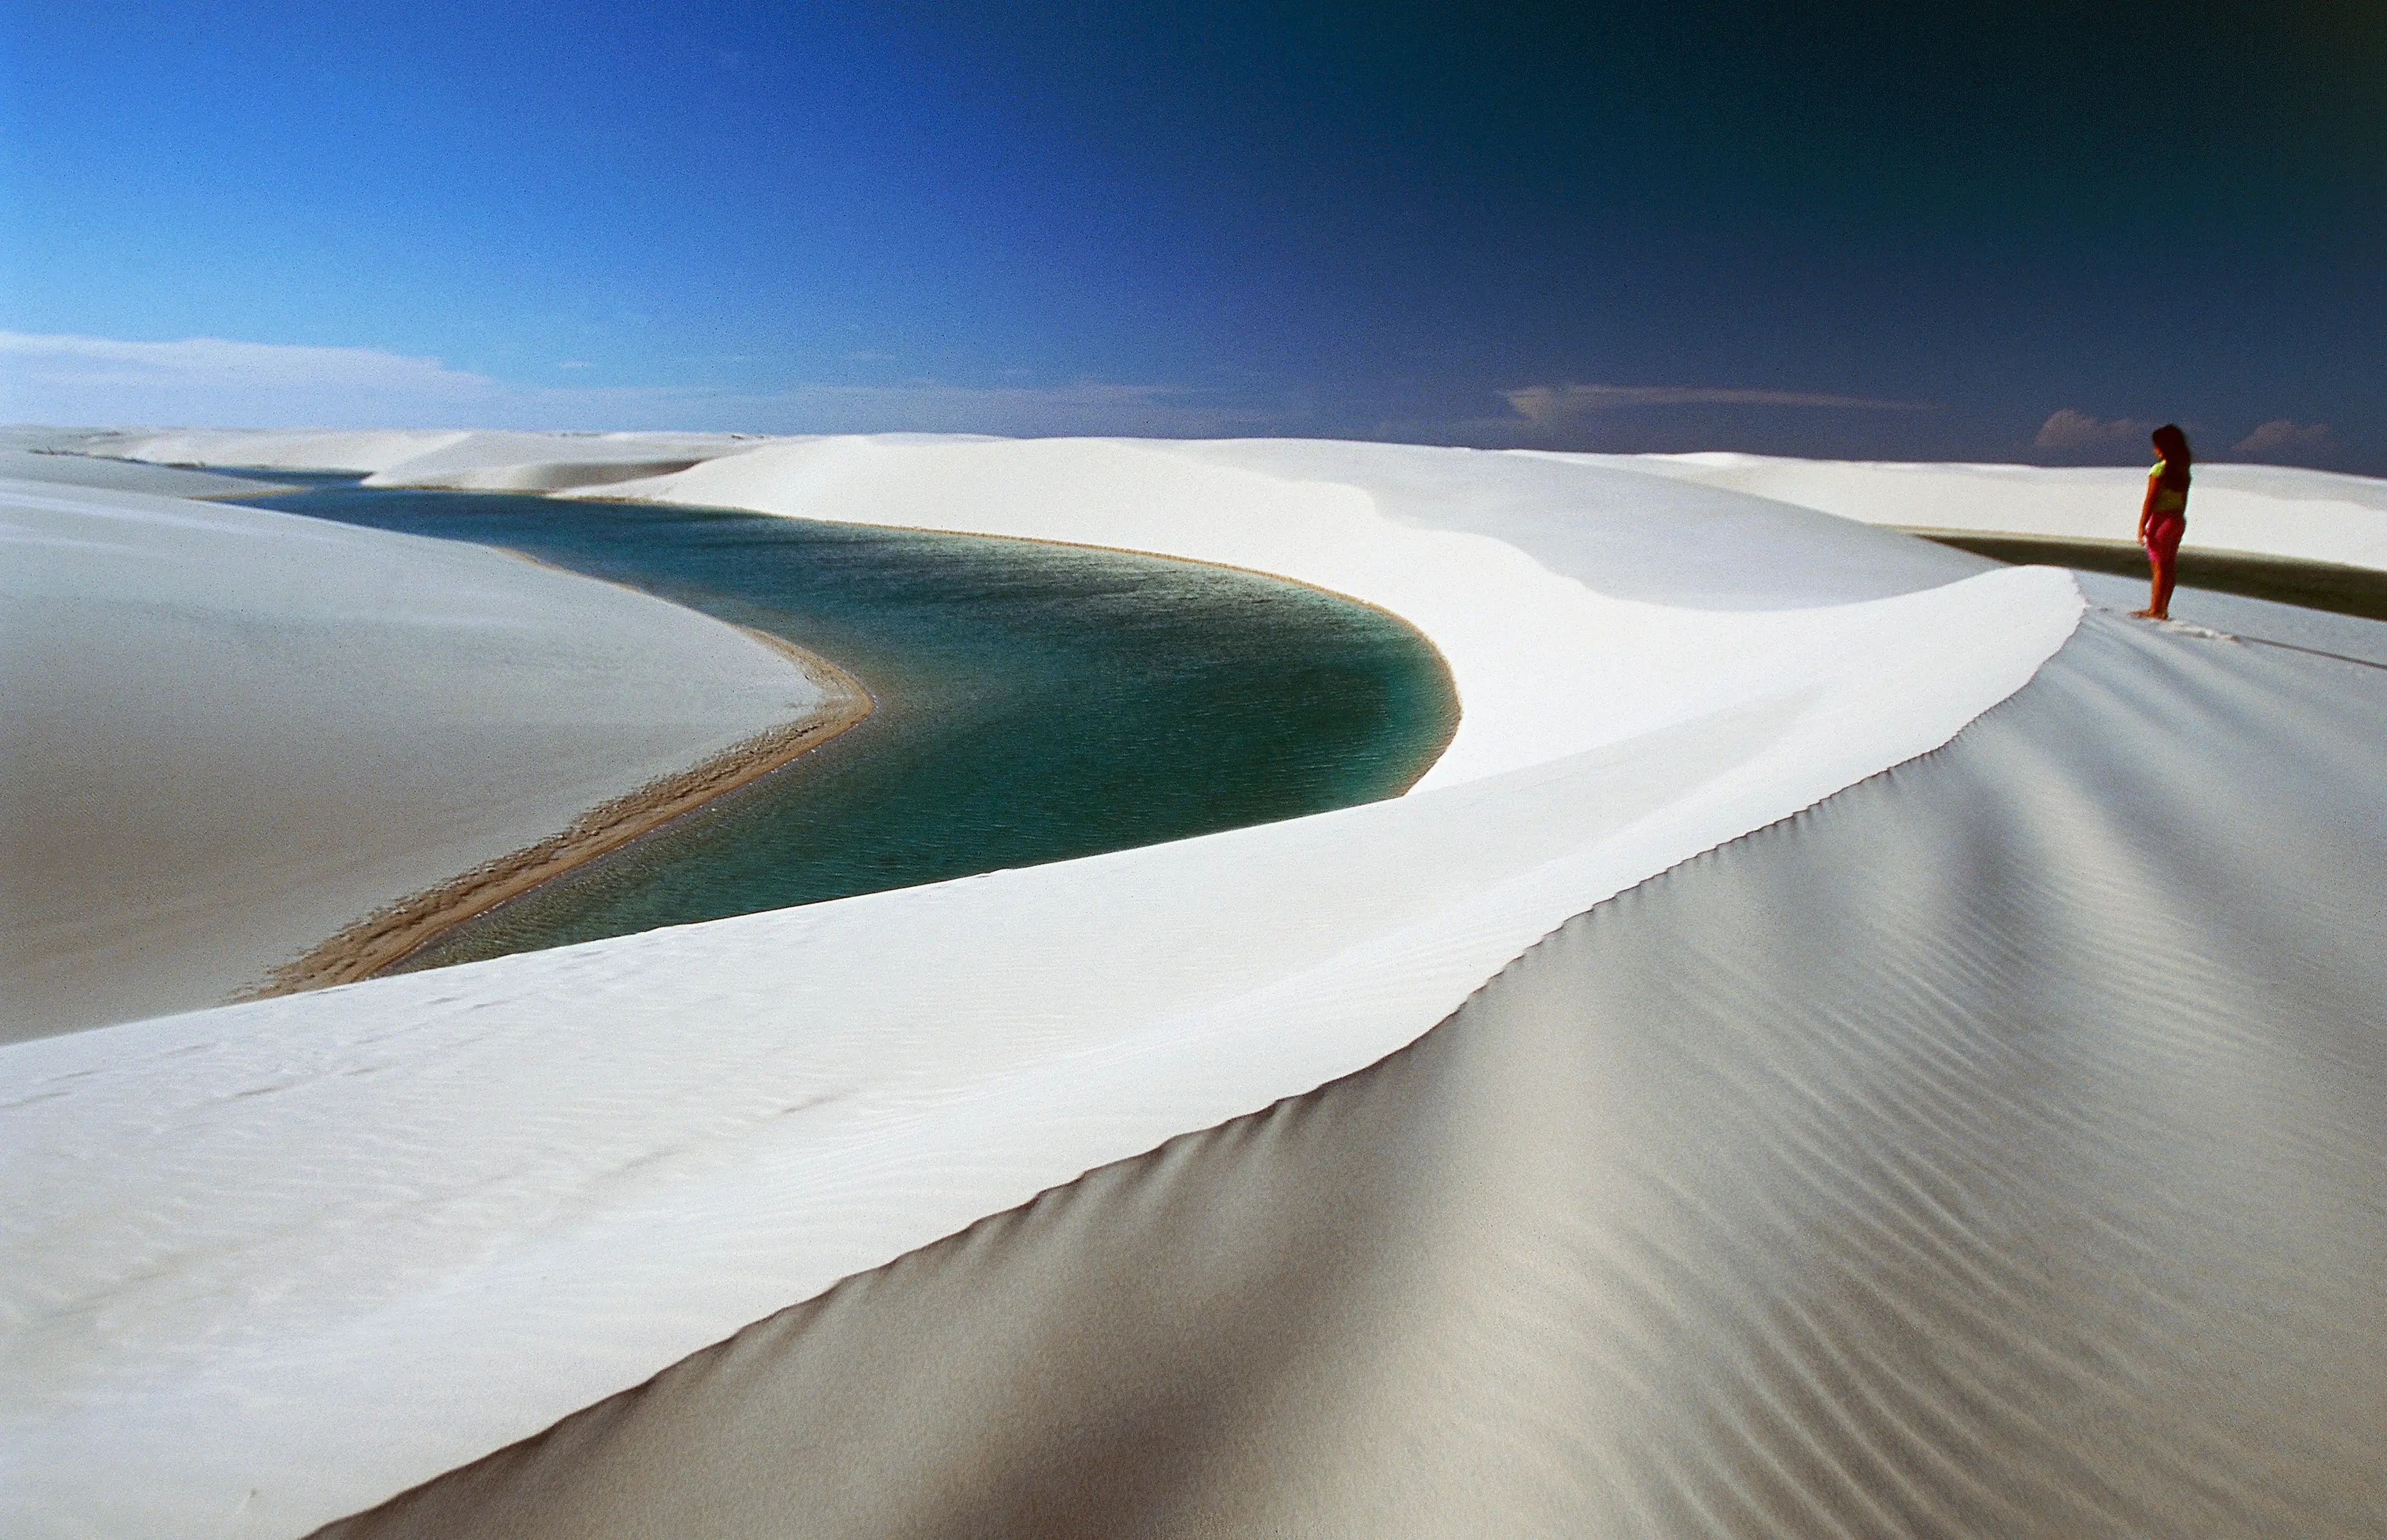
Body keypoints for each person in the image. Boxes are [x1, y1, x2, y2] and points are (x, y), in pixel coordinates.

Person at [2135, 424, 2191, 620]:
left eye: (2156, 445)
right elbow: (2184, 500)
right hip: (2177, 520)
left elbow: (2150, 499)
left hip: (2161, 521)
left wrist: (2142, 524)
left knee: (2158, 567)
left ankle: (2154, 610)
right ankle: (2164, 609)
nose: (2154, 449)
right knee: (2169, 566)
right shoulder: (2183, 471)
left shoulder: (2159, 470)